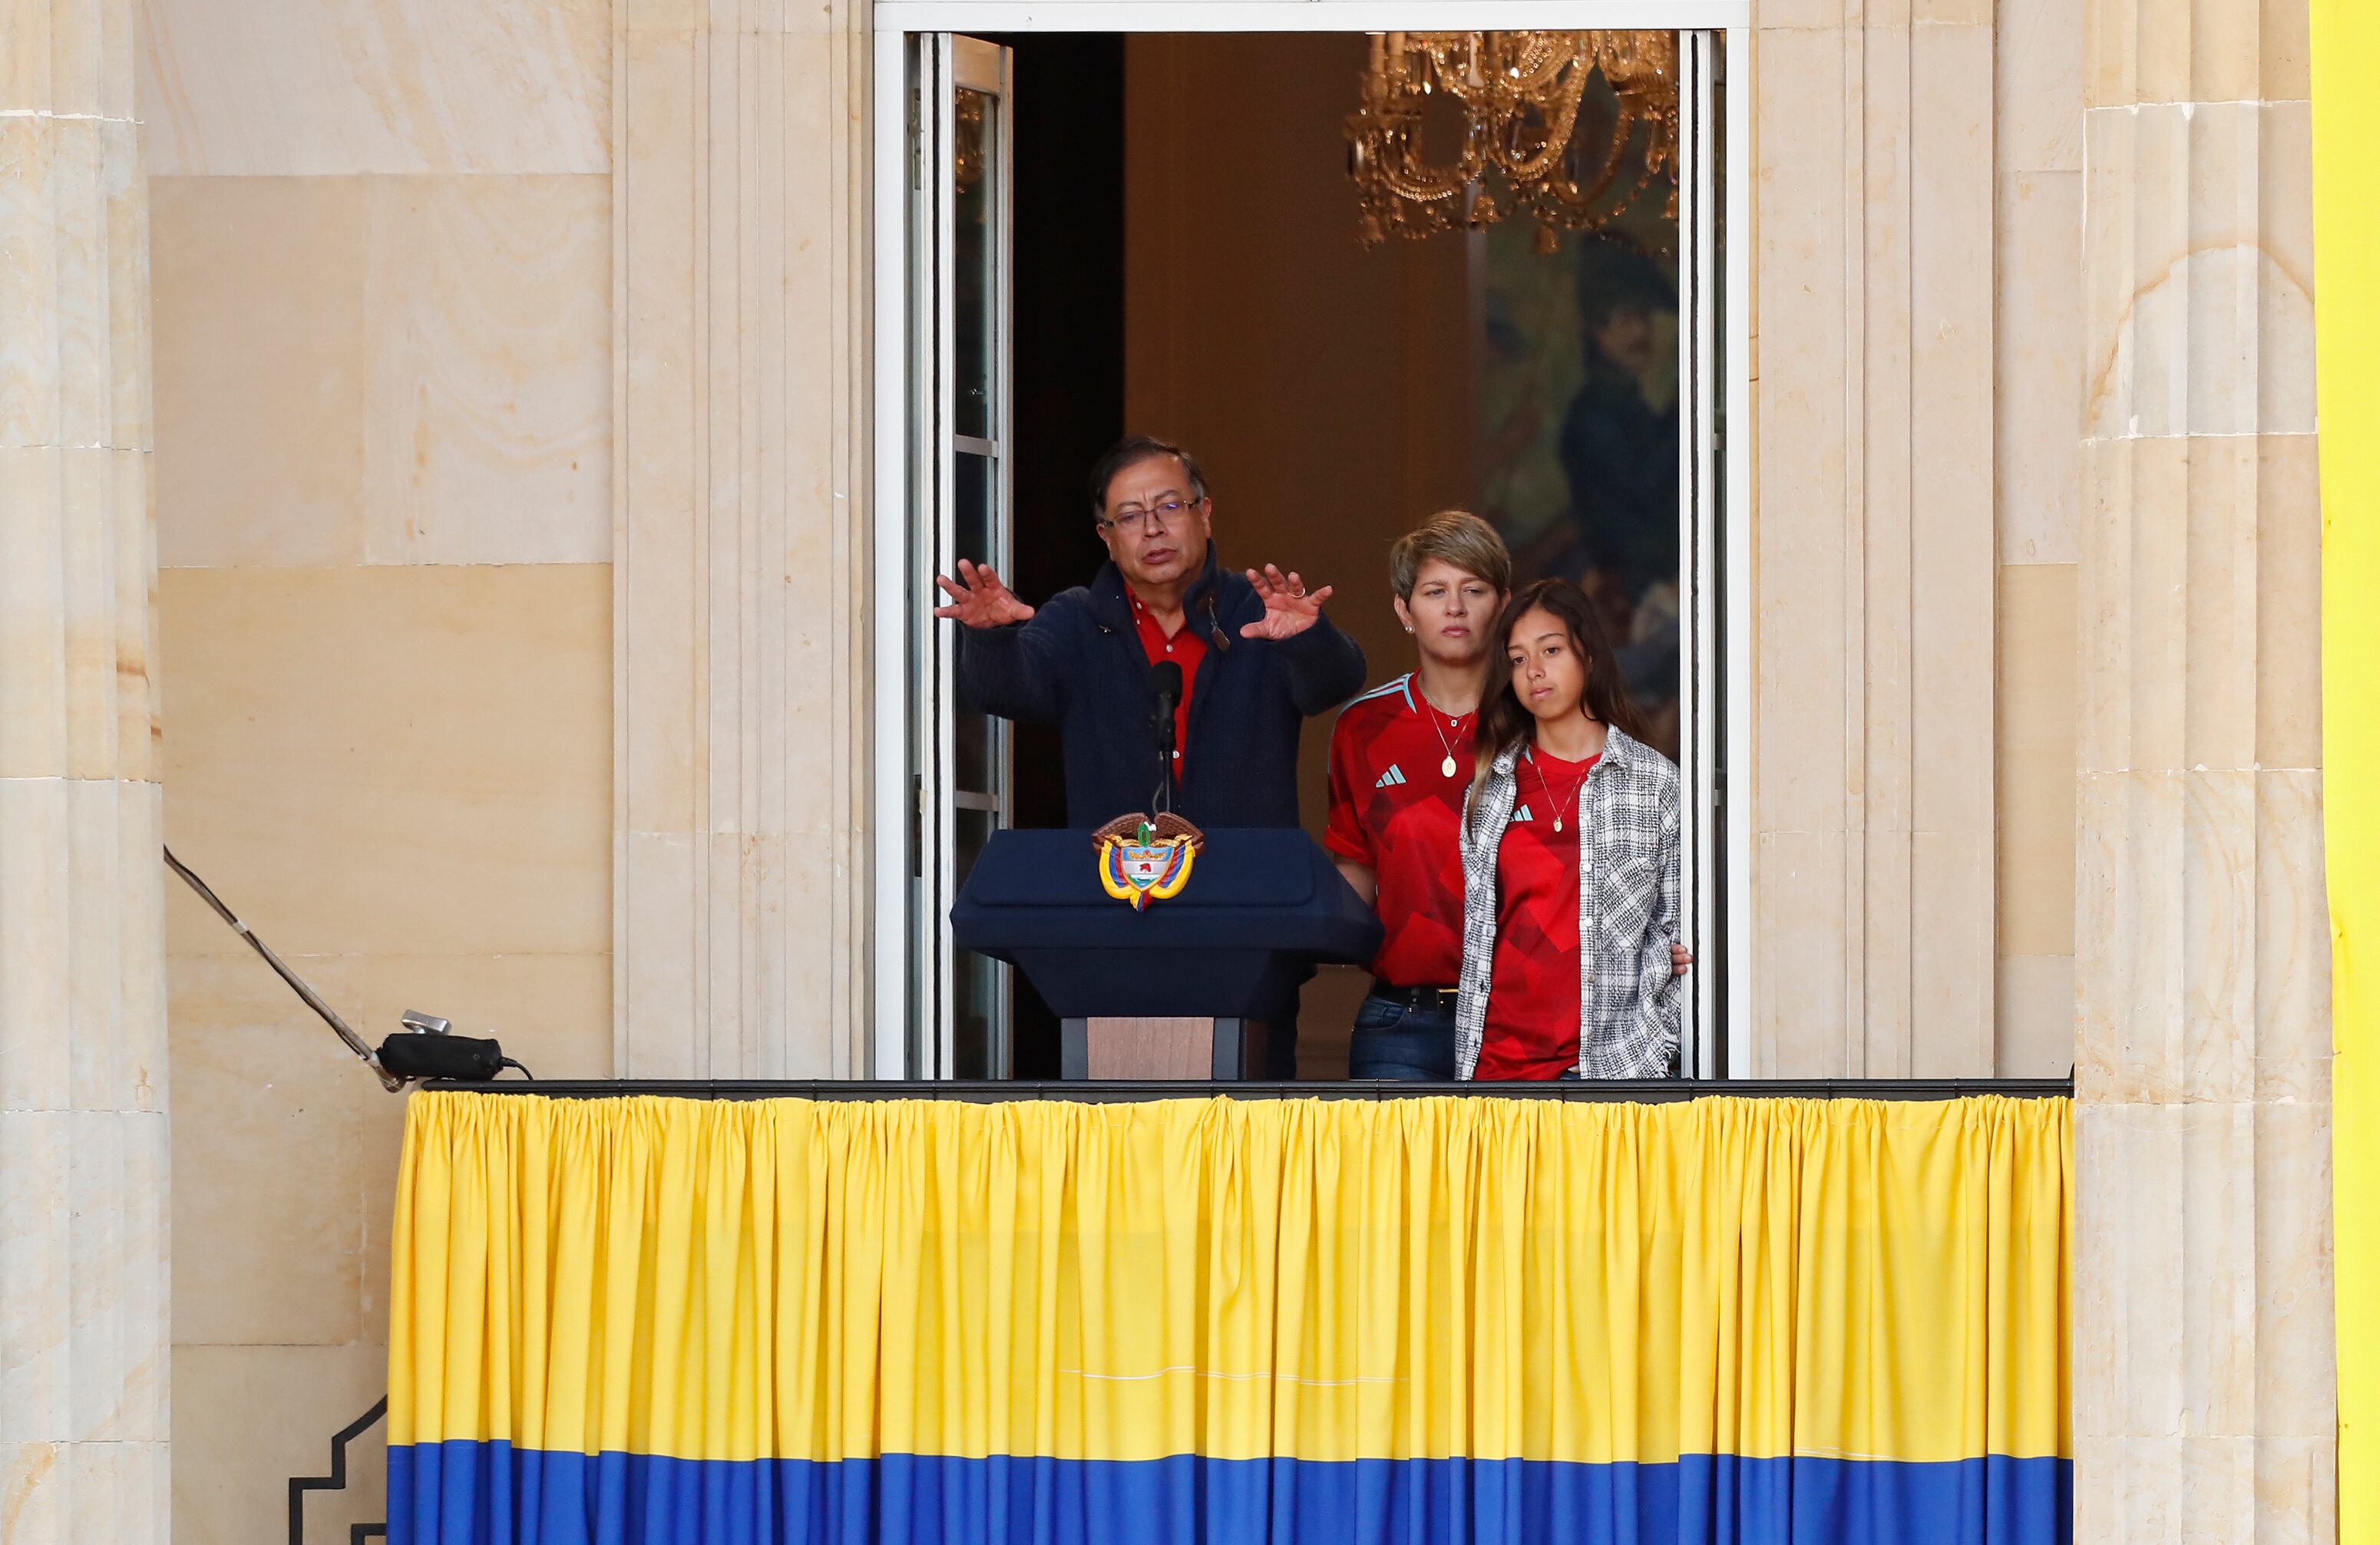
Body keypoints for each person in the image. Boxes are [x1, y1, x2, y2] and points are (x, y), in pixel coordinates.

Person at [934, 435, 1367, 1077]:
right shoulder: (1077, 620)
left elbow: (1334, 680)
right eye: (1130, 516)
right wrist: (992, 639)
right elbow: (1009, 689)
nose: (1153, 528)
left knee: (1250, 1126)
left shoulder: (1255, 611)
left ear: (1204, 513)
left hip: (1248, 929)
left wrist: (1308, 639)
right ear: (1107, 537)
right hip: (1115, 930)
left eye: (1169, 506)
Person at [1455, 577, 1686, 1081]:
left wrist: (1655, 1048)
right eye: (1518, 659)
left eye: (1551, 650)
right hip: (1497, 1068)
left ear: (1590, 654)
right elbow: (1480, 934)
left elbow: (1680, 939)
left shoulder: (1654, 783)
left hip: (1611, 1069)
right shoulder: (1489, 790)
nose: (1533, 670)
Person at [1324, 513, 1511, 1081]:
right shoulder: (1363, 726)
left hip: (1520, 1018)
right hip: (1400, 1020)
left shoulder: (1539, 719)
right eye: (1435, 592)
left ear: (1503, 605)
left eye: (1473, 590)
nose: (1455, 608)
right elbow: (1355, 868)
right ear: (1405, 611)